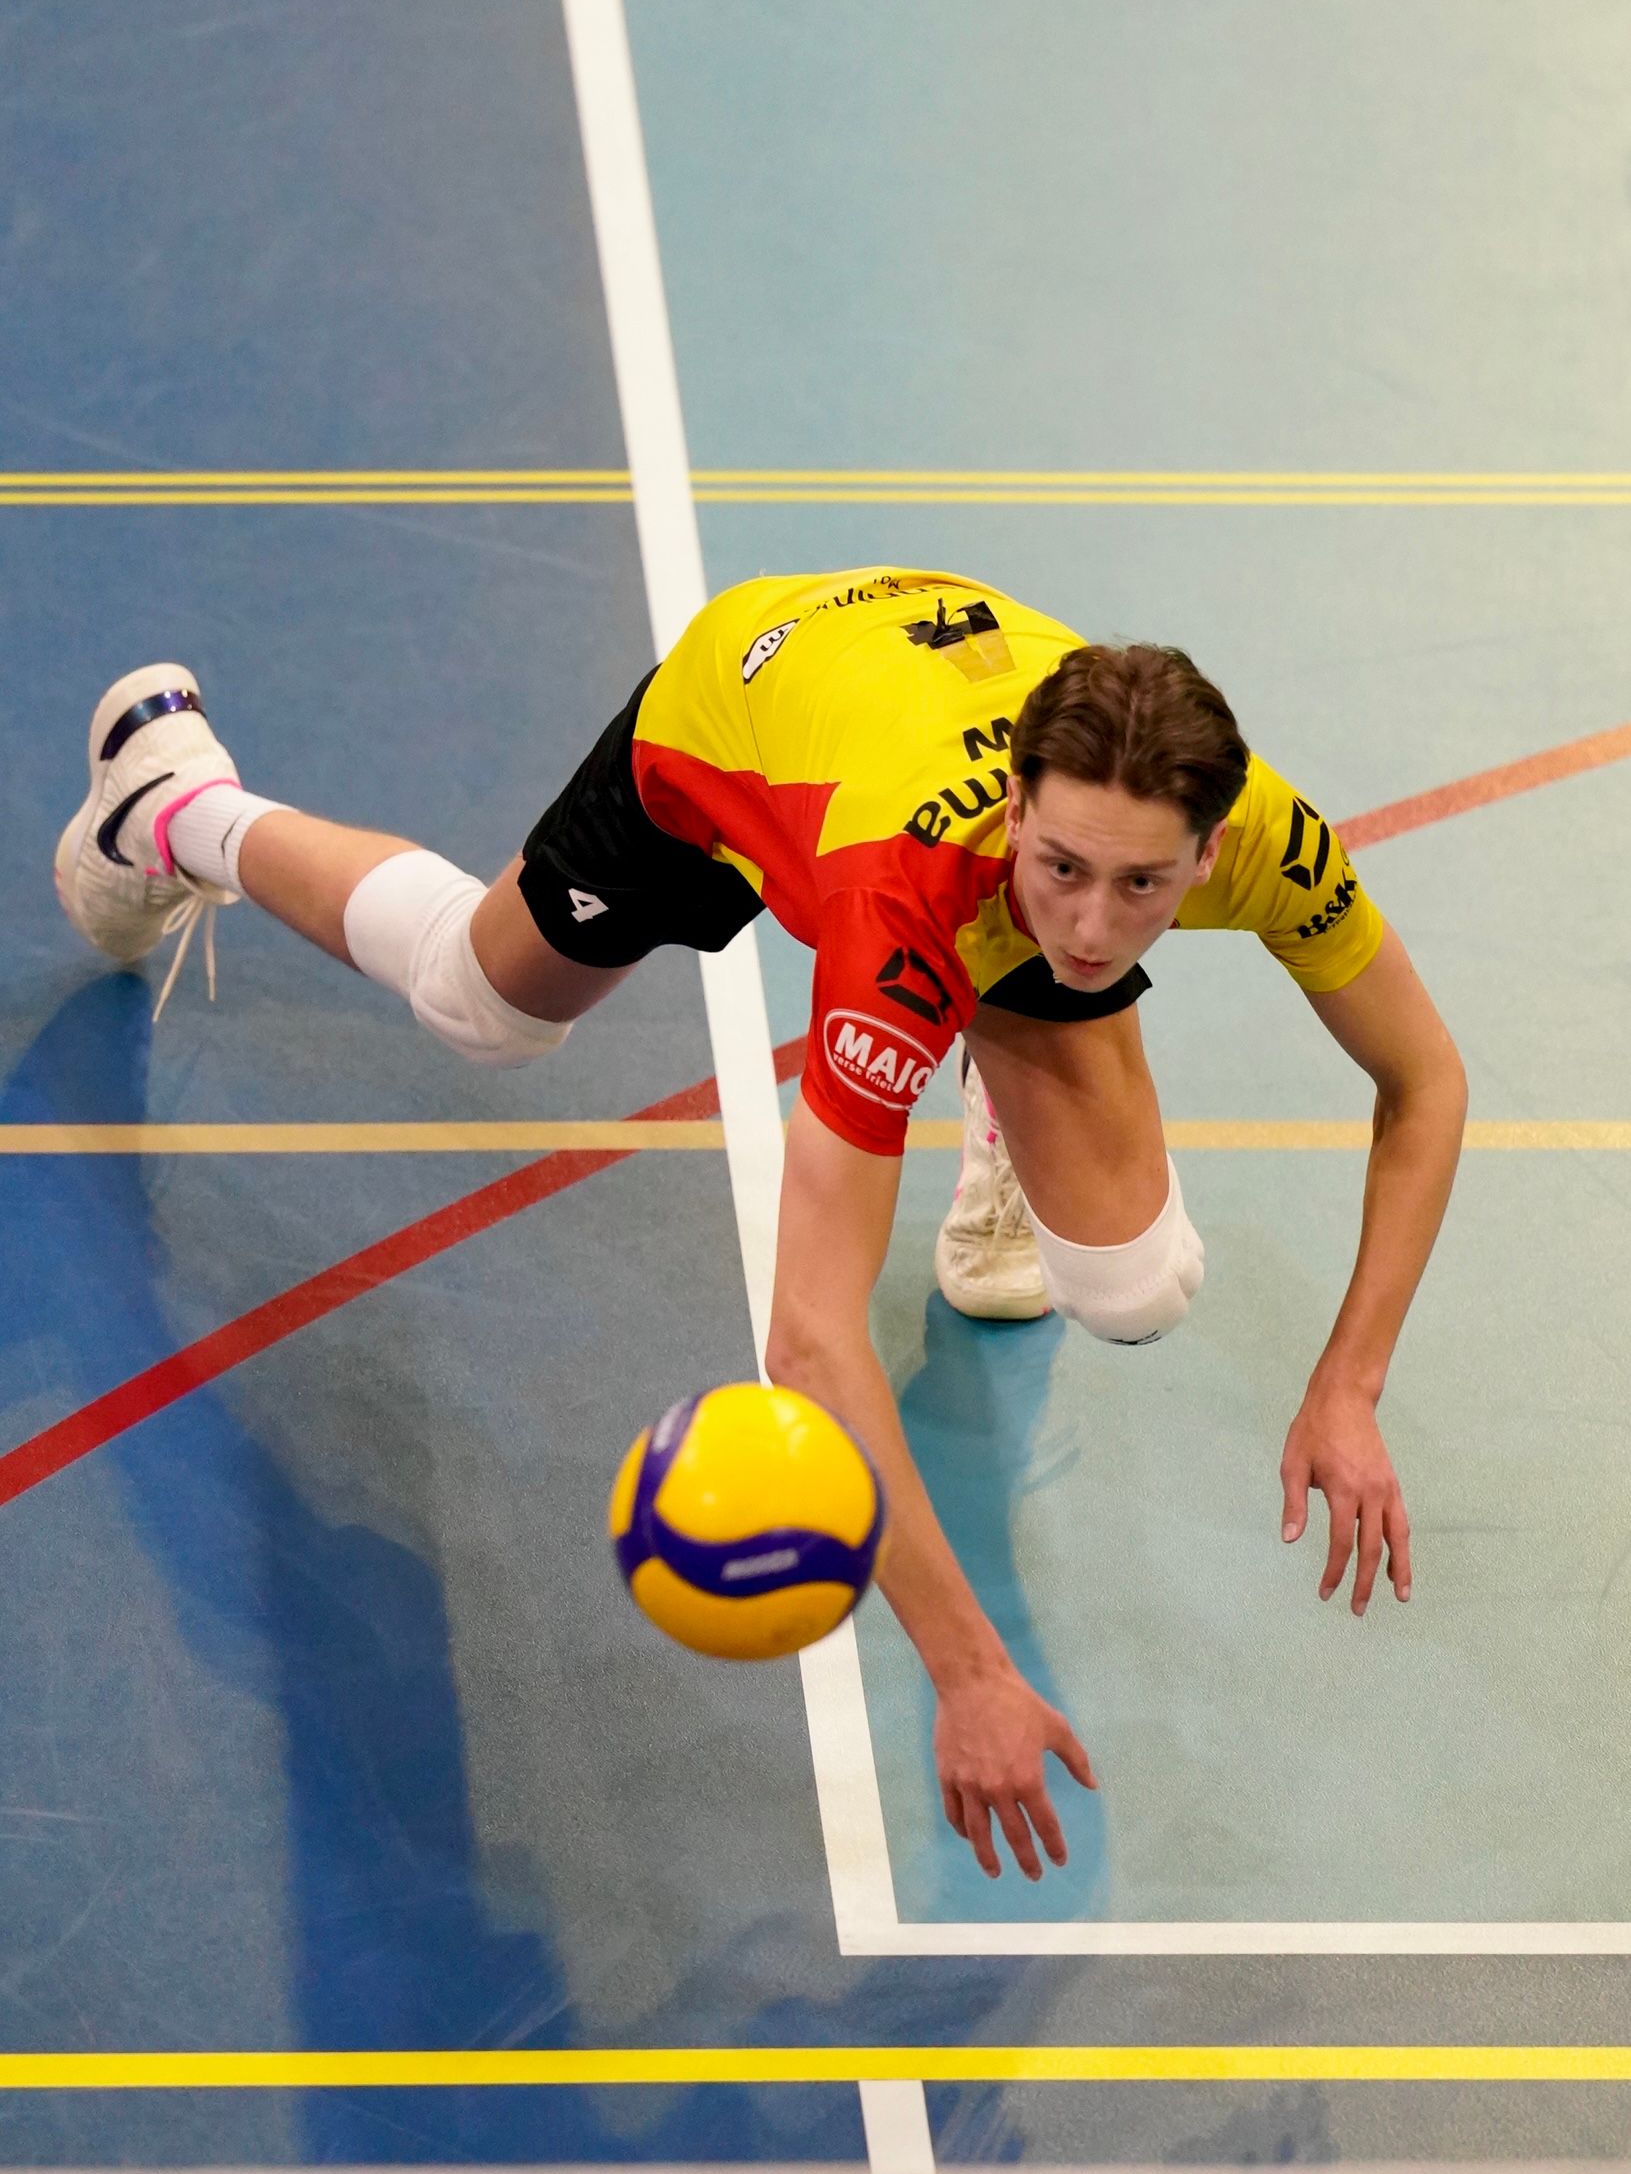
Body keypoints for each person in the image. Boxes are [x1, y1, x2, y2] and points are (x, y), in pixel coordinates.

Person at [55, 566, 1467, 1883]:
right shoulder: (896, 903)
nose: (1094, 929)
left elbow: (1425, 1079)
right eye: (1066, 869)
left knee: (1135, 1287)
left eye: (1143, 886)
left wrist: (1350, 1383)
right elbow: (808, 1338)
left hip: (924, 743)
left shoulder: (1254, 836)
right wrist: (968, 1668)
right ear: (1016, 811)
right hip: (742, 715)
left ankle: (994, 1071)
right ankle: (178, 804)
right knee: (480, 1004)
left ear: (1211, 850)